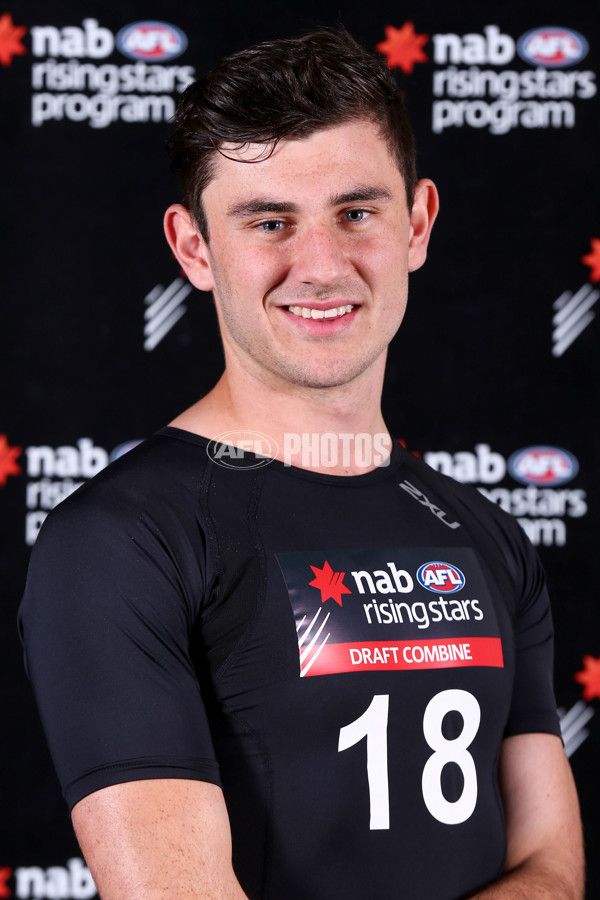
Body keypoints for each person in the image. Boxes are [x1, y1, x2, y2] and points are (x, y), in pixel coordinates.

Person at [19, 28, 584, 900]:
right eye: (270, 222)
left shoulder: (489, 536)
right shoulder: (120, 543)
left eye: (356, 213)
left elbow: (551, 869)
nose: (321, 267)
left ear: (416, 224)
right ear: (194, 249)